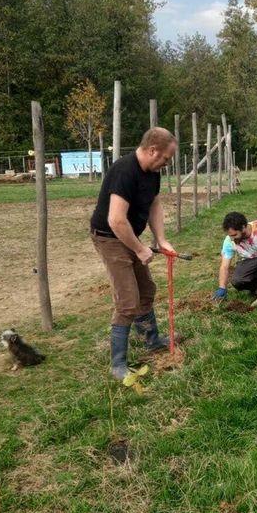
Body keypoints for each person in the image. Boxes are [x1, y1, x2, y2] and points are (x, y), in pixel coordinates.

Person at [91, 127, 177, 379]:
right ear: (152, 150)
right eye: (165, 158)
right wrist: (139, 249)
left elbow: (154, 203)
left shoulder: (152, 172)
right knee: (128, 301)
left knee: (147, 290)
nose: (166, 163)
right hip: (109, 238)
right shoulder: (124, 171)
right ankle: (117, 364)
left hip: (129, 235)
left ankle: (152, 340)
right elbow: (116, 220)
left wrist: (161, 239)